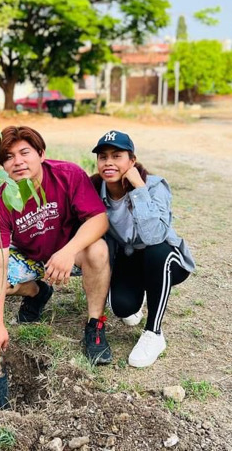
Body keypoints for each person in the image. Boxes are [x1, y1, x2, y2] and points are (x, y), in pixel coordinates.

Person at [0, 126, 113, 366]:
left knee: (98, 249)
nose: (17, 162)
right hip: (30, 257)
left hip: (70, 251)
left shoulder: (67, 174)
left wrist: (68, 252)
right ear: (3, 167)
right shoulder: (1, 202)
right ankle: (37, 292)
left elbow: (99, 220)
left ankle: (95, 326)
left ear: (41, 154)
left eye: (24, 152)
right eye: (9, 157)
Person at [90, 130, 195, 368]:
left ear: (132, 161)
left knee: (156, 251)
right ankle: (135, 301)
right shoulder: (95, 189)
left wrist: (138, 188)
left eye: (117, 156)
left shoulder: (155, 186)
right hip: (130, 258)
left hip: (166, 260)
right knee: (123, 308)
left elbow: (154, 236)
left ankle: (154, 333)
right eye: (103, 157)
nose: (108, 162)